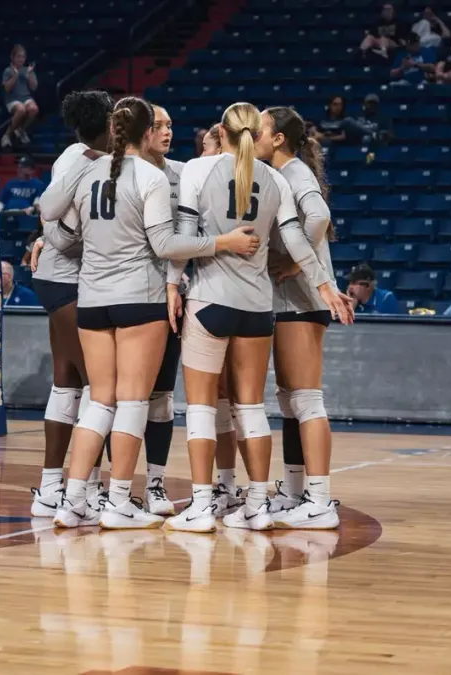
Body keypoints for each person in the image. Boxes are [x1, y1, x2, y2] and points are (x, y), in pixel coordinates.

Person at [43, 96, 261, 530]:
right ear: (147, 132)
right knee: (133, 402)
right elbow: (165, 246)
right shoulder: (151, 176)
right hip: (139, 298)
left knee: (98, 403)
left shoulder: (86, 170)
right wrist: (223, 243)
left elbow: (49, 212)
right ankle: (120, 501)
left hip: (91, 298)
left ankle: (72, 501)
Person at [163, 102, 350, 534]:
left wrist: (173, 285)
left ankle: (204, 506)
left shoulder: (198, 169)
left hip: (211, 301)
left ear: (223, 132)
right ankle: (259, 506)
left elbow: (185, 240)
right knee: (252, 408)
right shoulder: (275, 180)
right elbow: (300, 241)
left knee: (203, 409)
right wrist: (323, 283)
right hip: (259, 308)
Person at [254, 106, 351, 529]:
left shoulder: (296, 174)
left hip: (304, 300)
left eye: (259, 130)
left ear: (278, 139)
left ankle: (320, 499)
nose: (253, 135)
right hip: (289, 301)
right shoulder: (280, 174)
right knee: (290, 399)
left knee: (307, 399)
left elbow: (320, 216)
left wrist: (297, 263)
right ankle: (294, 492)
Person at [26, 90, 114, 520]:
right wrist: (76, 240)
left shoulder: (72, 155)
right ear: (108, 125)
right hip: (66, 281)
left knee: (68, 384)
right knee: (100, 389)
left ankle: (49, 488)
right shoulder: (87, 162)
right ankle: (89, 490)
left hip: (58, 281)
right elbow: (57, 224)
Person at [130, 102, 189, 516]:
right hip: (128, 296)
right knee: (120, 398)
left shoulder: (184, 175)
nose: (167, 131)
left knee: (162, 397)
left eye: (170, 125)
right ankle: (107, 488)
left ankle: (154, 483)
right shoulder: (121, 173)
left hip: (171, 298)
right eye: (158, 125)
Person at [1, 45, 40, 148]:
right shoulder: (8, 71)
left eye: (23, 57)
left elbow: (34, 87)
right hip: (12, 99)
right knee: (21, 110)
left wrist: (30, 75)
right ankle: (7, 135)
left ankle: (21, 129)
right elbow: (7, 89)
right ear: (13, 57)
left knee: (34, 109)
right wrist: (14, 76)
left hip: (26, 97)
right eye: (18, 56)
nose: (21, 59)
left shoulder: (28, 70)